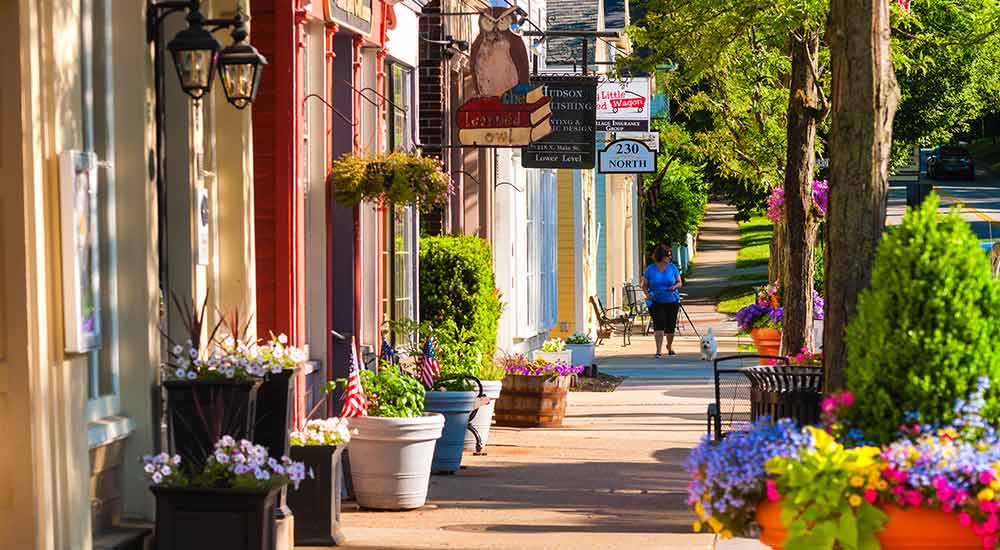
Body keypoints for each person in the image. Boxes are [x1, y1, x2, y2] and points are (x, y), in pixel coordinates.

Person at [641, 244, 682, 358]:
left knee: (670, 326)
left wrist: (674, 287)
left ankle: (669, 346)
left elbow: (679, 282)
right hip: (656, 301)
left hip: (672, 300)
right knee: (659, 325)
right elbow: (644, 285)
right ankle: (658, 350)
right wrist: (648, 295)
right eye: (668, 255)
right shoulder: (650, 269)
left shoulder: (672, 267)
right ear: (661, 255)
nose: (670, 257)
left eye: (670, 255)